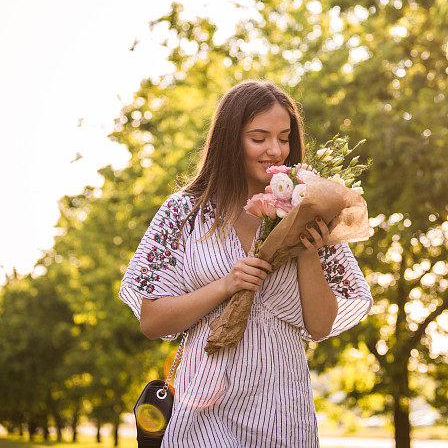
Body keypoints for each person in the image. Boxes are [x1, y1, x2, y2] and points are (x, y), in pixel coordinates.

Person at [118, 79, 374, 447]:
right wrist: (225, 284)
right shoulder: (184, 213)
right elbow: (152, 320)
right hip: (201, 407)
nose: (276, 150)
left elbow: (319, 327)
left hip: (283, 412)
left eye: (284, 138)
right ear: (229, 140)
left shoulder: (310, 210)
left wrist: (307, 250)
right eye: (259, 138)